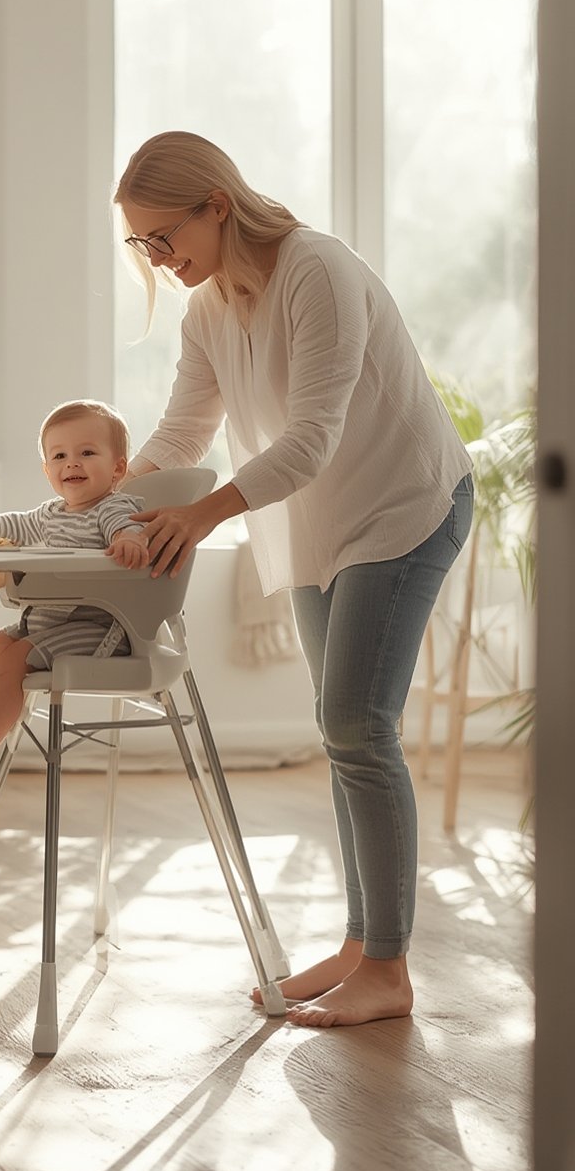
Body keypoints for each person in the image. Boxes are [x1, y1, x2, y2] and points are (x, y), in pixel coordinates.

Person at [114, 130, 473, 1029]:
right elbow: (181, 438)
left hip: (405, 505)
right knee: (342, 728)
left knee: (359, 724)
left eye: (164, 237)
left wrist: (198, 517)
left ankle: (387, 970)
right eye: (140, 245)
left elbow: (310, 437)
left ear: (216, 205)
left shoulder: (318, 270)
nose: (157, 258)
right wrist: (110, 495)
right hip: (320, 522)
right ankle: (362, 945)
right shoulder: (207, 312)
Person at [0, 399, 150, 787]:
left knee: (13, 658)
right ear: (47, 471)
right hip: (44, 623)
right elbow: (15, 524)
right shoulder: (51, 513)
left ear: (118, 468)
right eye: (59, 455)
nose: (71, 463)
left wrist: (129, 539)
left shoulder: (111, 507)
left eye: (87, 453)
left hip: (99, 627)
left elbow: (127, 526)